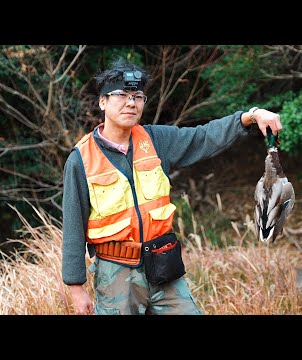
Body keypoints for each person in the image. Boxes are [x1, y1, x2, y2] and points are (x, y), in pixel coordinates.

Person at [62, 58, 282, 315]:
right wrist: (76, 288)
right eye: (121, 95)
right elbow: (73, 226)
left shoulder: (156, 139)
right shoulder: (81, 158)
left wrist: (250, 116)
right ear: (102, 101)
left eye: (138, 96)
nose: (131, 103)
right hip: (115, 273)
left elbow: (202, 137)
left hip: (164, 263)